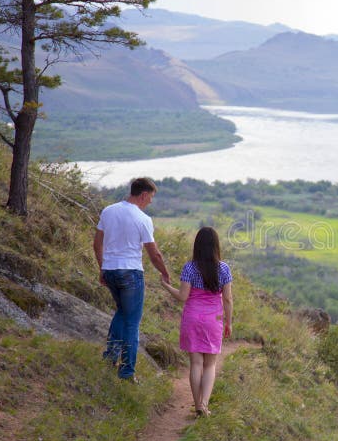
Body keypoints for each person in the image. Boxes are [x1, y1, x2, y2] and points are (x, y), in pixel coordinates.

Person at [94, 177, 171, 382]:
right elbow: (154, 254)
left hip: (110, 270)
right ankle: (127, 371)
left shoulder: (108, 211)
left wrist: (103, 267)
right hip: (131, 272)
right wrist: (165, 272)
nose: (151, 202)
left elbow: (97, 243)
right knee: (132, 322)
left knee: (122, 312)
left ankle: (110, 357)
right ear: (144, 195)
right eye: (151, 197)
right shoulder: (143, 219)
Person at [161, 227, 233, 417]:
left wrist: (166, 286)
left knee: (196, 364)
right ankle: (204, 404)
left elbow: (182, 296)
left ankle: (196, 404)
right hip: (213, 320)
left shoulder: (189, 267)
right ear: (216, 246)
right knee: (210, 364)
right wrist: (229, 323)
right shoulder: (224, 268)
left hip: (192, 318)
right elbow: (227, 299)